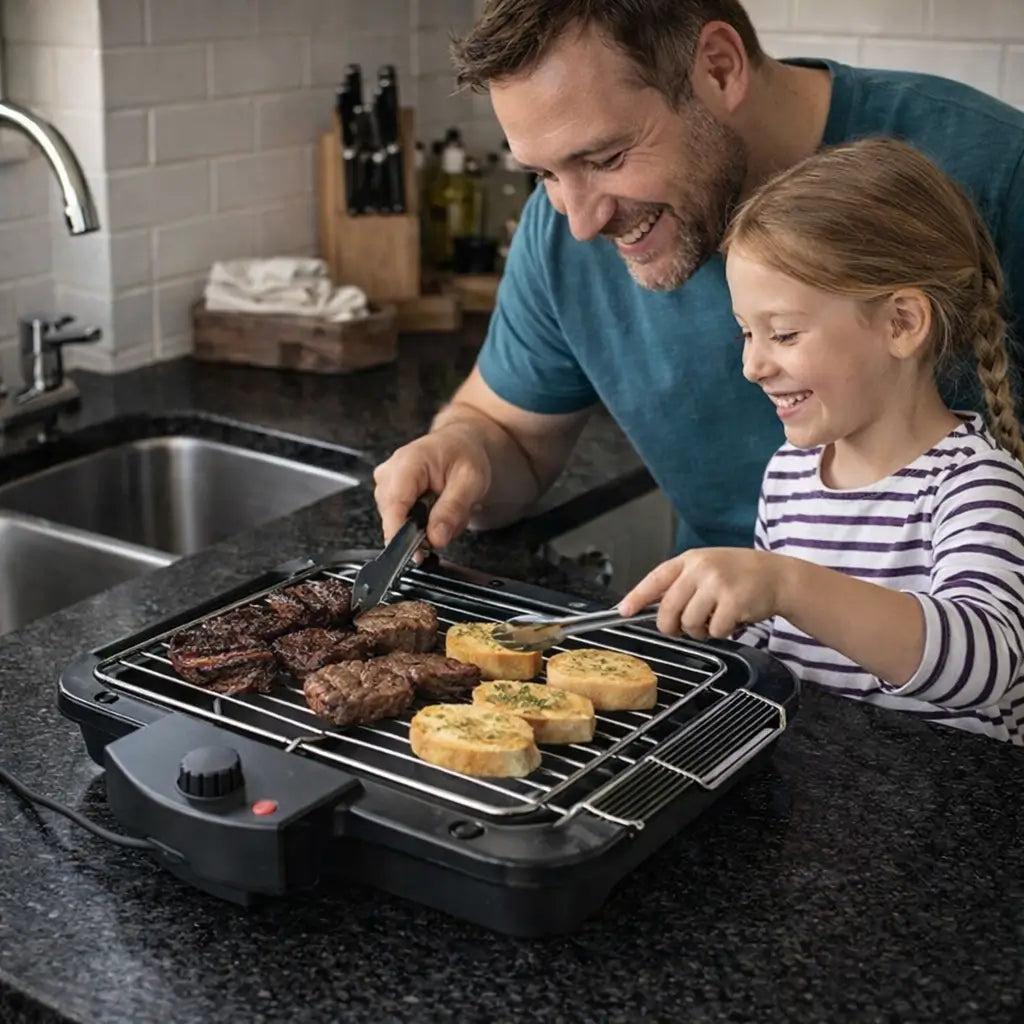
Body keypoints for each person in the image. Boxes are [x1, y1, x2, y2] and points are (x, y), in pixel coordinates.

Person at [373, 0, 1024, 563]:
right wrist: (462, 453)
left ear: (719, 67)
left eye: (606, 158)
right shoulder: (563, 225)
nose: (579, 221)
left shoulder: (999, 173)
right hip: (726, 668)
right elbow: (506, 431)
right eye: (542, 173)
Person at [619, 137, 1024, 743]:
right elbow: (773, 643)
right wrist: (710, 623)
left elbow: (983, 662)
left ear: (901, 323)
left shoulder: (973, 484)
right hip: (827, 794)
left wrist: (784, 583)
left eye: (782, 334)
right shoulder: (791, 473)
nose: (753, 366)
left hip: (950, 812)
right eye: (745, 336)